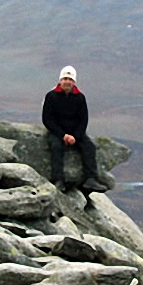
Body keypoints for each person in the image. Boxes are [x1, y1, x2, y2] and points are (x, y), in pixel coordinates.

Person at [42, 65, 107, 193]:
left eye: (70, 79)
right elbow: (47, 119)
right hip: (57, 132)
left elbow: (84, 120)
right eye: (65, 78)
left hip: (75, 132)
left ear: (74, 82)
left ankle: (90, 179)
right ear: (60, 80)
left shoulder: (80, 98)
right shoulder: (51, 96)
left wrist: (75, 136)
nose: (67, 82)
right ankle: (58, 180)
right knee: (56, 147)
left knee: (89, 147)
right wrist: (63, 135)